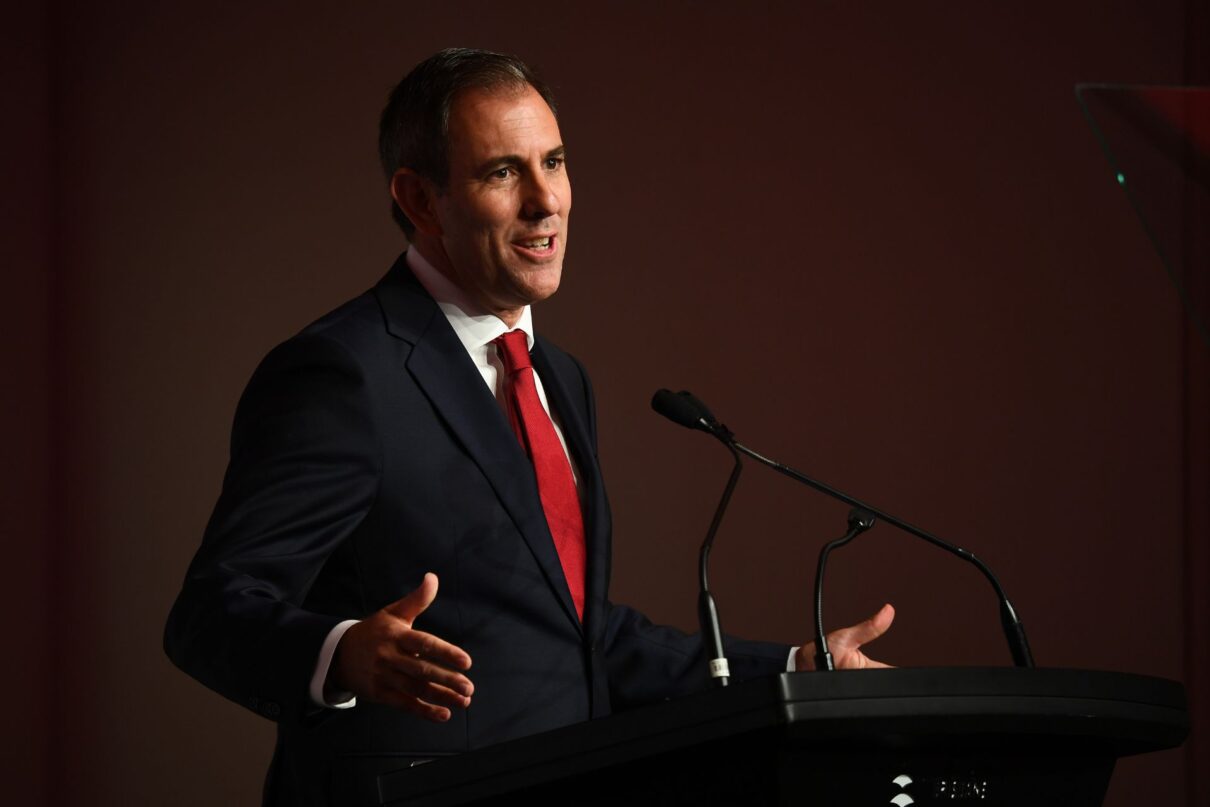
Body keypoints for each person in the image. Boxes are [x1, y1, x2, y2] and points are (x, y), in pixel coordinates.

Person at [164, 47, 894, 806]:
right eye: (502, 172)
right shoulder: (343, 372)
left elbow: (578, 636)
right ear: (420, 200)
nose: (547, 201)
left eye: (555, 160)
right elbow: (210, 610)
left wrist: (790, 666)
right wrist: (340, 652)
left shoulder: (559, 377)